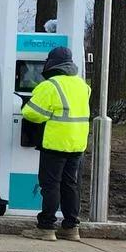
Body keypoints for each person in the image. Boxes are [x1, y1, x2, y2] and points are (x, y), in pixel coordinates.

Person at [20, 44, 91, 241]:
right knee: (70, 185)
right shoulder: (83, 85)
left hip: (55, 143)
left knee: (51, 185)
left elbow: (31, 113)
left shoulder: (50, 86)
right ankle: (71, 227)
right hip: (77, 143)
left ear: (51, 64)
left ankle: (46, 227)